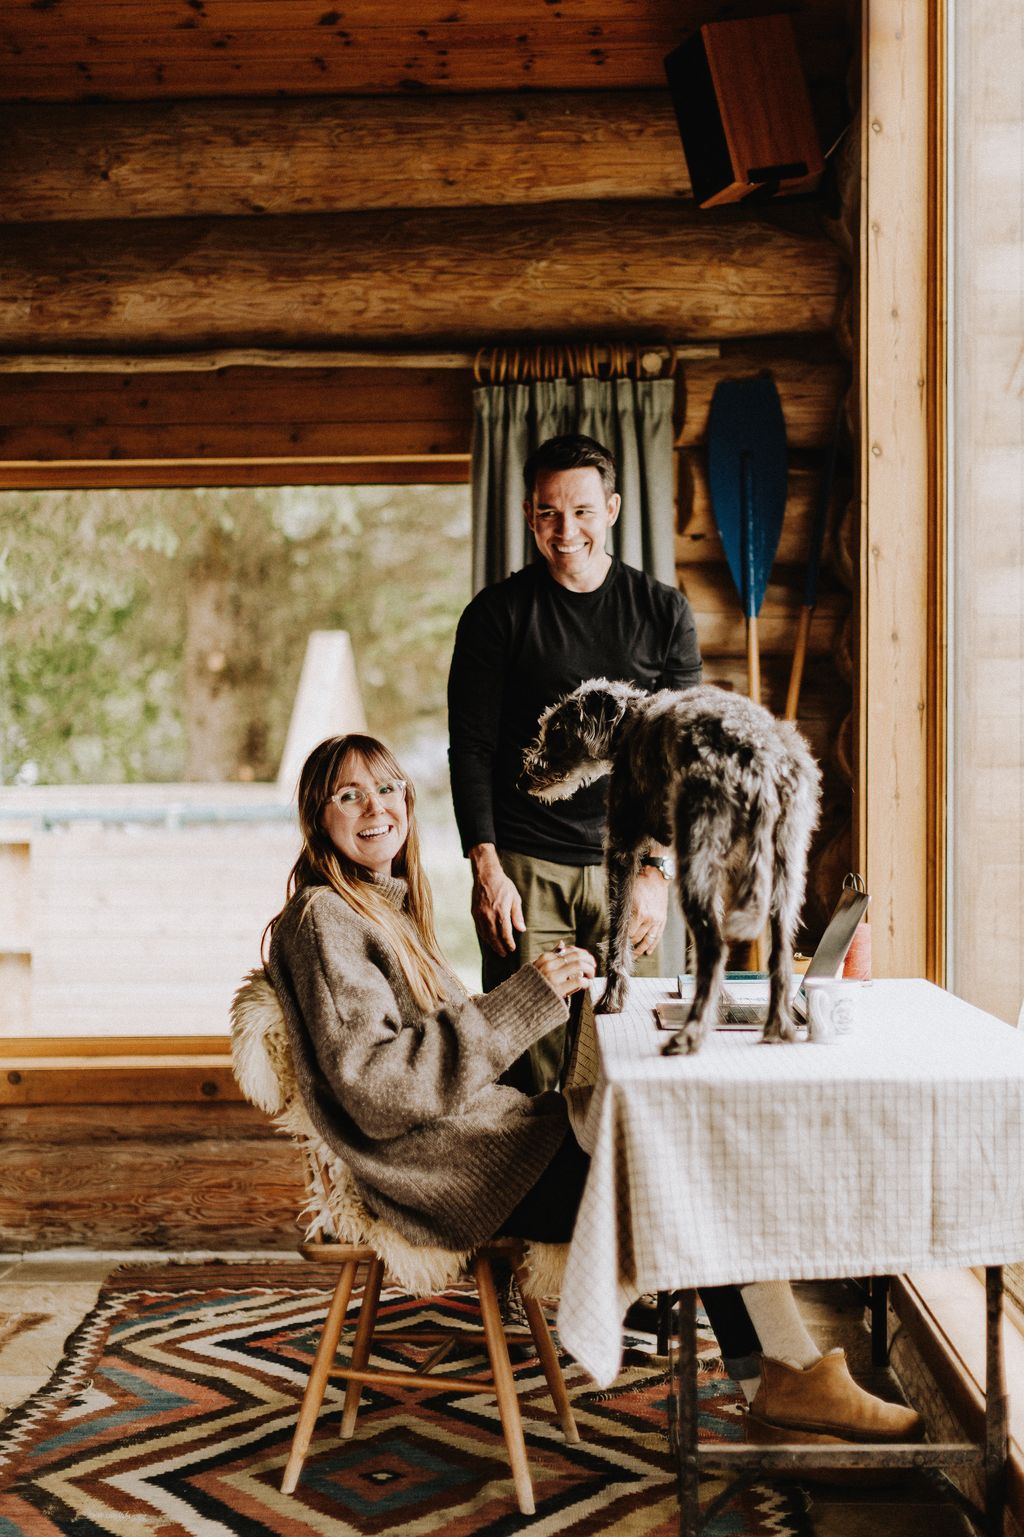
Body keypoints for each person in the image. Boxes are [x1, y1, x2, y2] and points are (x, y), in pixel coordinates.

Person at [262, 732, 921, 1455]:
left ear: (409, 804)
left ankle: (782, 1383)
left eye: (387, 789)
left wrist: (543, 1001)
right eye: (348, 795)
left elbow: (438, 1053)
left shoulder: (378, 907)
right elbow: (379, 1092)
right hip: (443, 1171)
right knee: (690, 1165)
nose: (374, 808)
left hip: (477, 1142)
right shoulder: (326, 919)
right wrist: (525, 999)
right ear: (315, 815)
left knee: (686, 1147)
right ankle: (787, 1384)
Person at [448, 433, 700, 1092]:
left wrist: (657, 870)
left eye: (582, 510)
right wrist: (487, 866)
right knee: (529, 1067)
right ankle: (534, 1198)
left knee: (623, 1058)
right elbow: (471, 747)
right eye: (548, 512)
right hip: (528, 871)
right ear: (530, 515)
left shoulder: (664, 612)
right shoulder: (494, 616)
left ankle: (610, 1198)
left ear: (612, 508)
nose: (566, 530)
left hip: (629, 869)